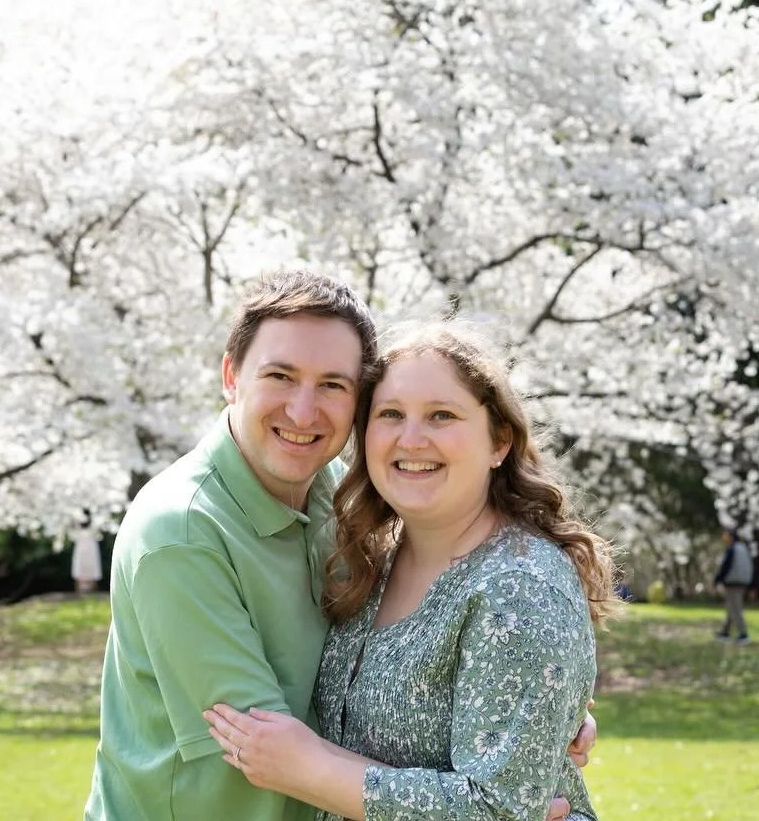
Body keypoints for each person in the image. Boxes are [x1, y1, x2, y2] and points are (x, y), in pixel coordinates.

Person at [84, 274, 595, 821]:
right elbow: (269, 750)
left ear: (499, 440)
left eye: (332, 384)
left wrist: (534, 711)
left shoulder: (343, 502)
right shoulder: (181, 533)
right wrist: (512, 760)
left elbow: (322, 747)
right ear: (231, 376)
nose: (303, 413)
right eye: (281, 376)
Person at [203, 322, 616, 821]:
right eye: (391, 414)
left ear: (499, 441)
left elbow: (497, 811)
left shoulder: (519, 588)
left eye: (442, 415)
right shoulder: (369, 556)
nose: (412, 439)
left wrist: (309, 768)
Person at [713, 528, 753, 643]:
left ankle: (743, 634)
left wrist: (718, 579)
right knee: (731, 607)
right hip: (742, 582)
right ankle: (725, 632)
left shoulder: (732, 549)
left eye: (725, 535)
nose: (723, 538)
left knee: (735, 608)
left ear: (730, 537)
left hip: (732, 582)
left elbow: (726, 566)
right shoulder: (743, 548)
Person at [70, 511, 103, 595]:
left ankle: (93, 591)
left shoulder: (94, 527)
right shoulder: (78, 528)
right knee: (80, 569)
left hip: (91, 550)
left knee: (91, 569)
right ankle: (79, 592)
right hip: (81, 551)